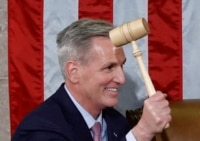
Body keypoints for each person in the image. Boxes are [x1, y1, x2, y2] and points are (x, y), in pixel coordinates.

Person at [11, 18, 171, 141]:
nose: (121, 79)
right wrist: (141, 133)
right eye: (109, 67)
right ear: (74, 72)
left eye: (121, 66)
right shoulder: (40, 130)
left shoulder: (117, 122)